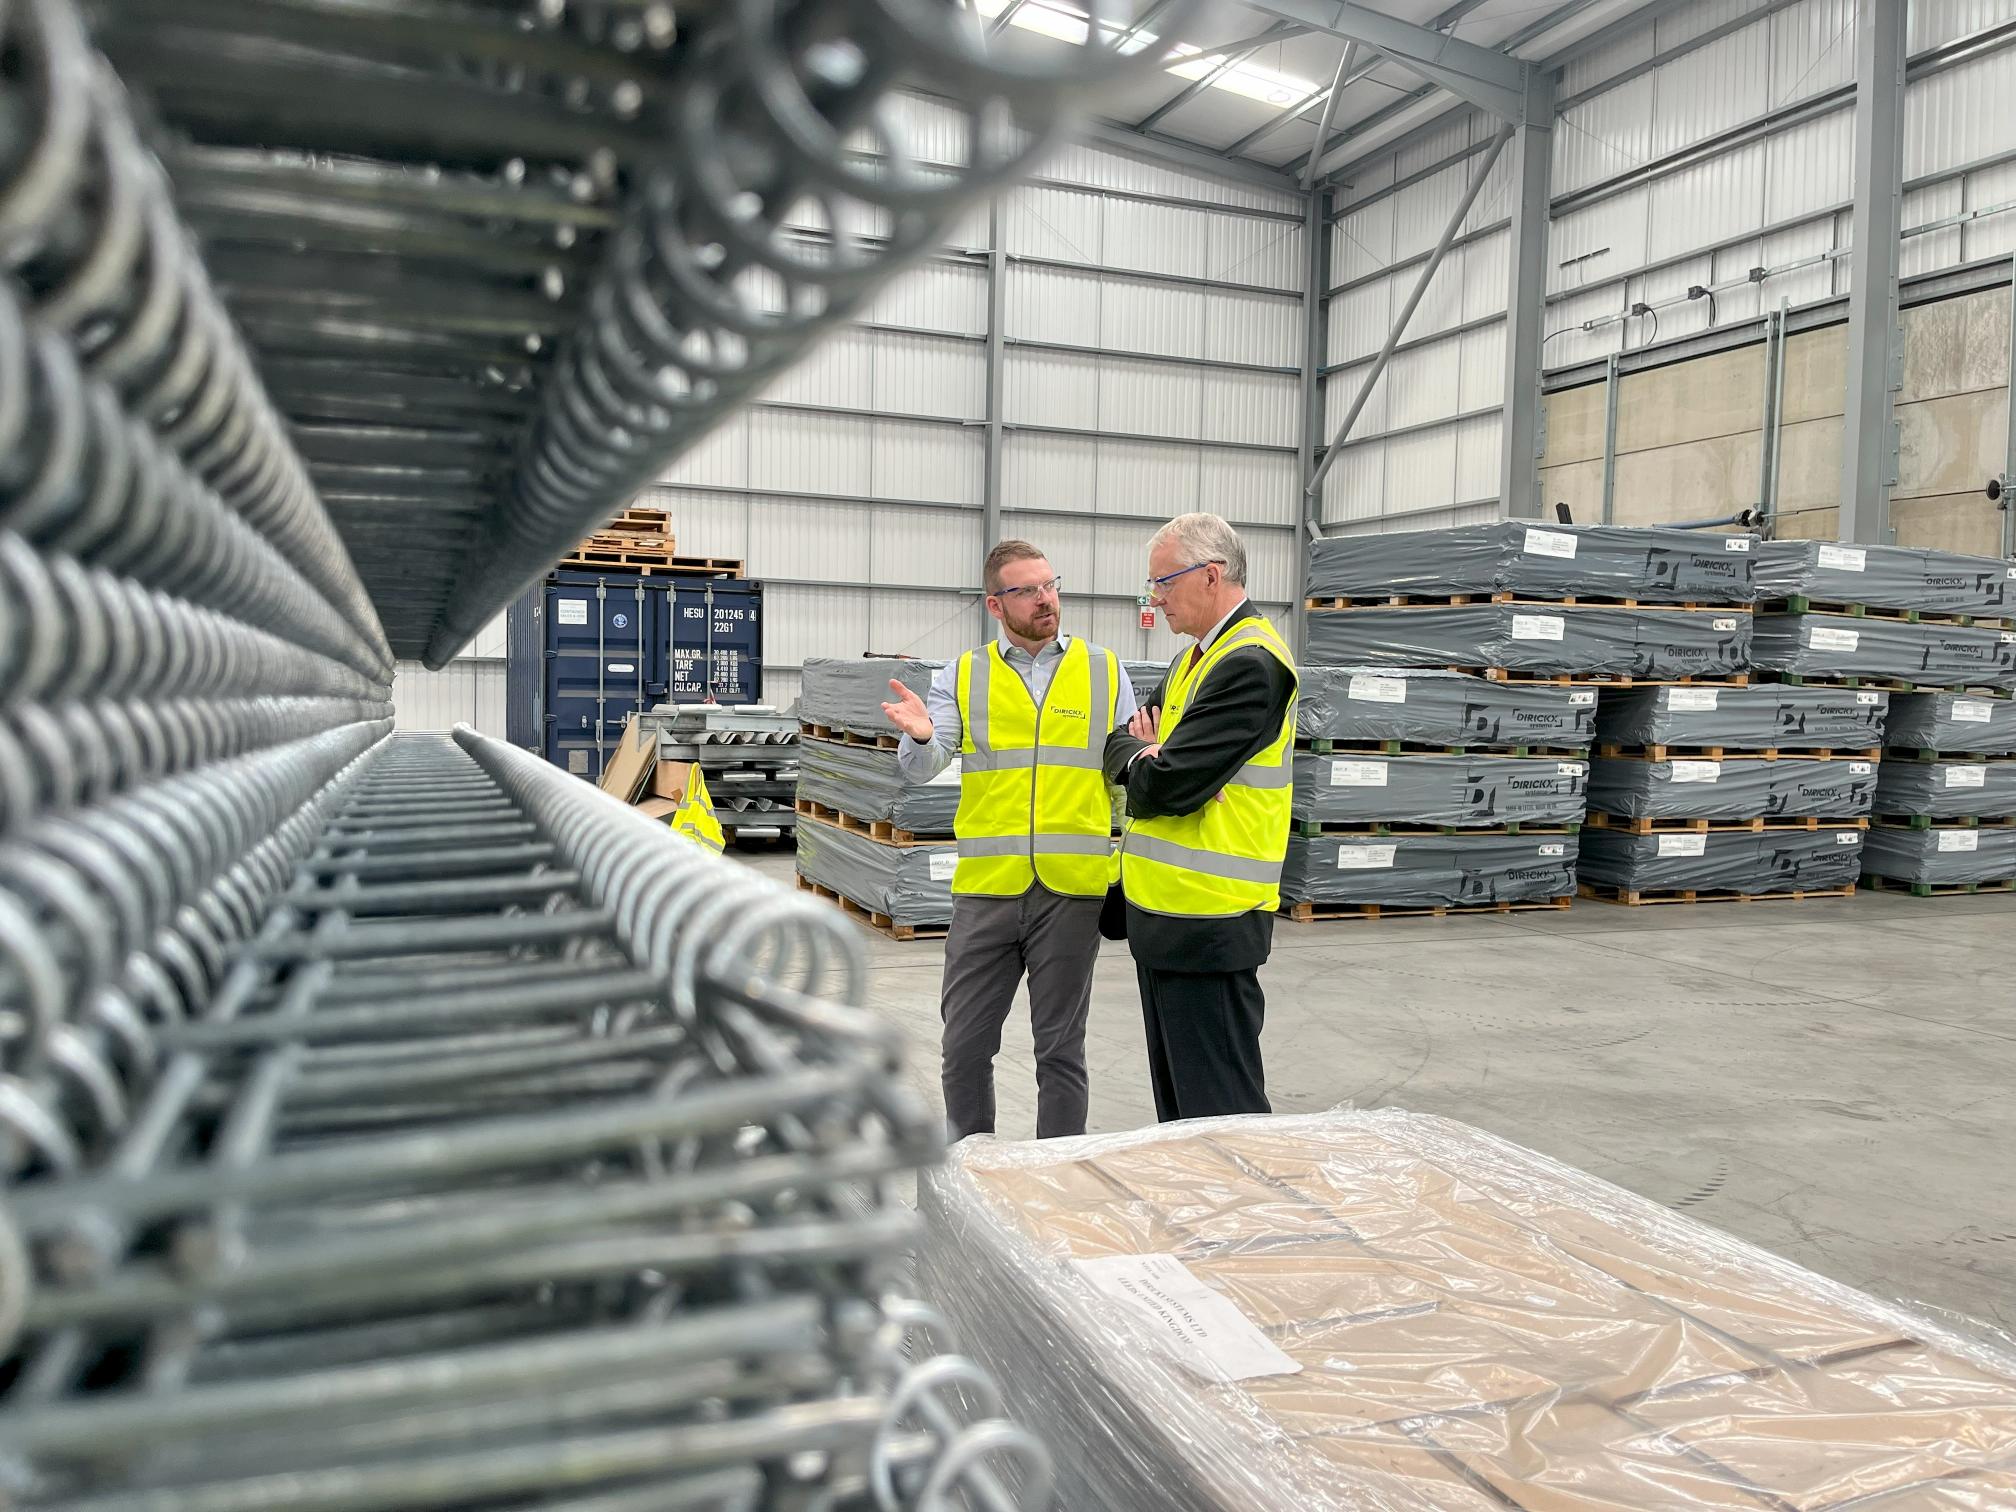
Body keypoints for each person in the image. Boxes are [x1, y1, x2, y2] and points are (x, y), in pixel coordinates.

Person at [883, 541, 1137, 1141]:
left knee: (1061, 1053)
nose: (1046, 599)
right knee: (965, 1048)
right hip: (987, 893)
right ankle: (973, 1178)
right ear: (996, 605)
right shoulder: (964, 674)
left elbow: (1128, 770)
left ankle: (1058, 1179)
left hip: (1071, 893)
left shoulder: (1104, 669)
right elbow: (922, 767)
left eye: (1050, 585)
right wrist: (920, 737)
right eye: (1028, 590)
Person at [1103, 512, 1297, 1123]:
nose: (1154, 599)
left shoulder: (1250, 664)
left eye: (1162, 583)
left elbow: (1167, 784)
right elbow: (1124, 745)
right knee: (1180, 1112)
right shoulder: (1193, 661)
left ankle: (1246, 1220)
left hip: (1211, 920)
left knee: (1220, 1111)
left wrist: (1155, 761)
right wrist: (1140, 753)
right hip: (1164, 917)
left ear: (1210, 575)